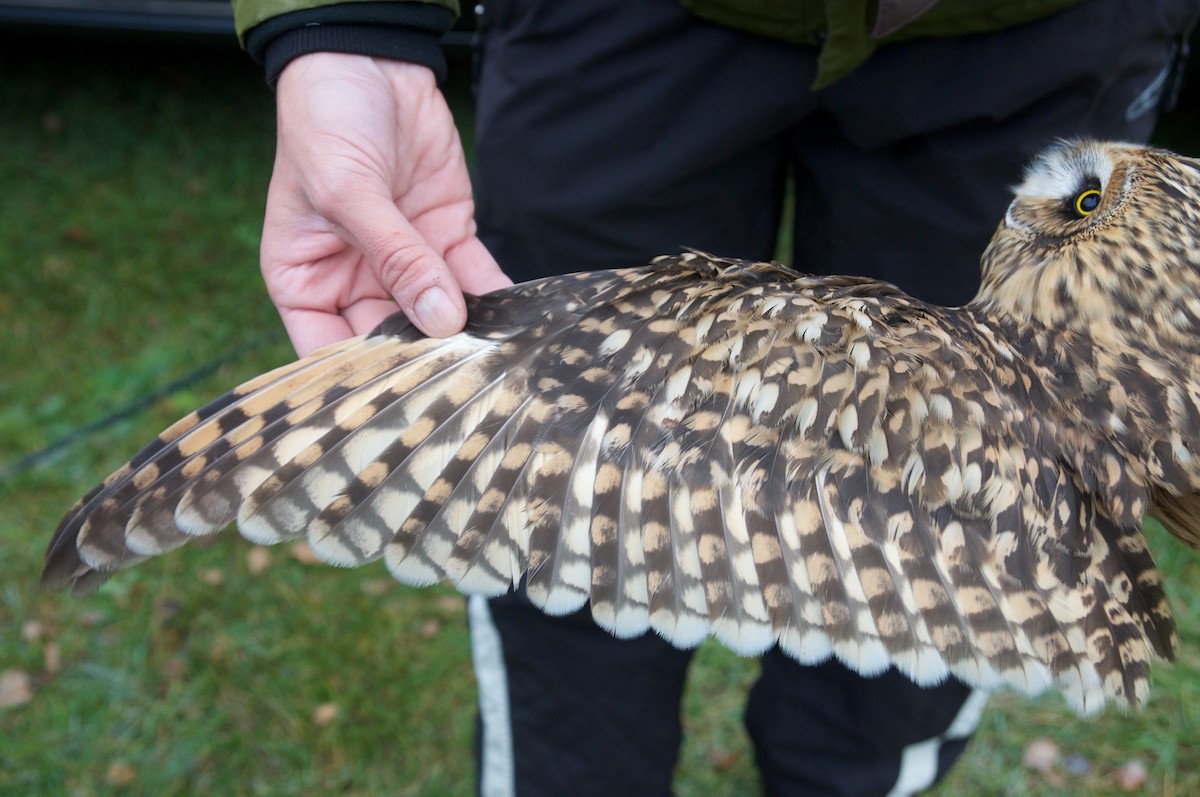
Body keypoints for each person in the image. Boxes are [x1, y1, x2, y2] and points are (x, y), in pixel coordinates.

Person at [230, 0, 1199, 794]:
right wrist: (342, 25)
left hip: (1039, 36)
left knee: (957, 533)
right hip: (630, 26)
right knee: (559, 488)